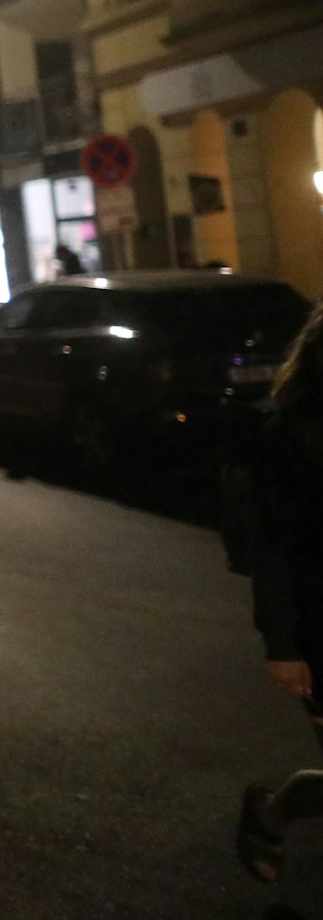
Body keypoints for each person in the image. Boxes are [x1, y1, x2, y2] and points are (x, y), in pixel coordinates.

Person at [240, 300, 323, 883]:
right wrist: (282, 642)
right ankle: (274, 811)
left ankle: (273, 810)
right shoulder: (291, 432)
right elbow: (273, 543)